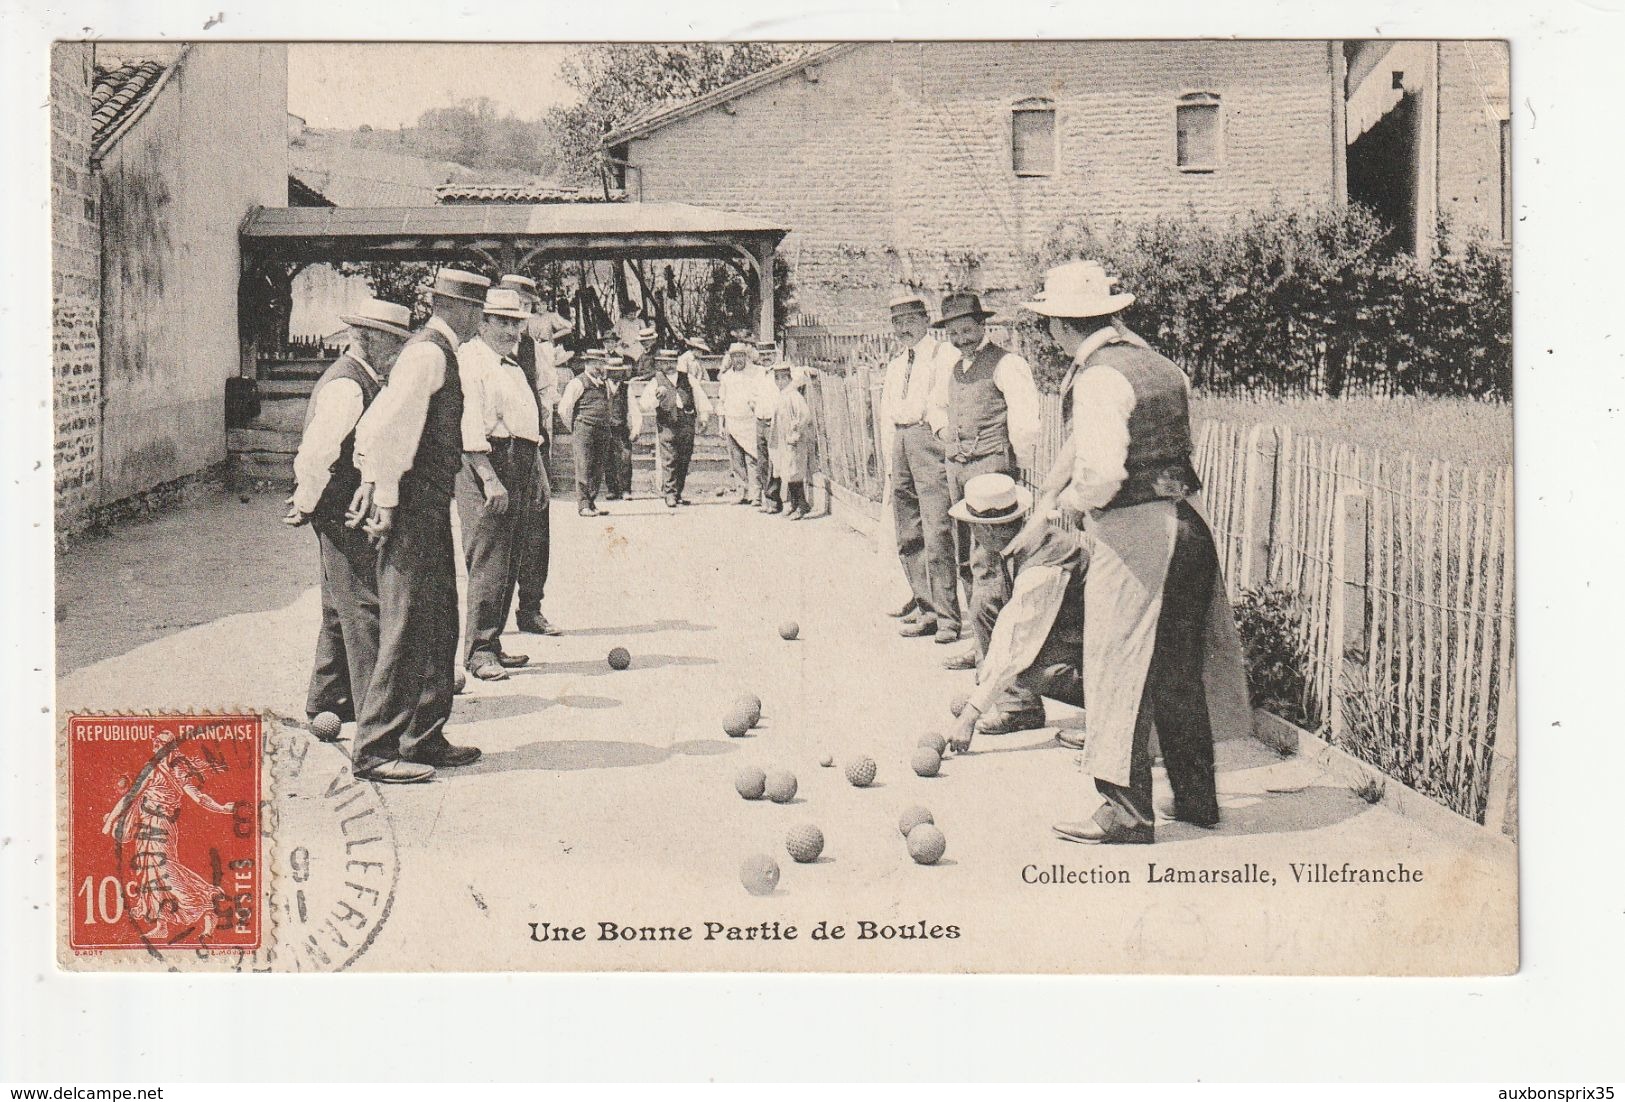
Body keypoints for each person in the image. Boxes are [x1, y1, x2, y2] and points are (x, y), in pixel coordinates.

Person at [1005, 259, 1251, 844]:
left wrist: (1070, 506)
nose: (1048, 337)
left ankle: (1125, 813)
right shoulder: (1160, 366)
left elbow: (1102, 468)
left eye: (1049, 326)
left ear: (1063, 328)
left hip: (1136, 534)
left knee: (1118, 667)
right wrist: (1049, 494)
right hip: (1190, 528)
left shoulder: (1095, 378)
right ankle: (1196, 800)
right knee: (1177, 669)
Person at [348, 267, 490, 784]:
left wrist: (370, 479)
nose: (481, 319)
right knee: (408, 622)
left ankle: (423, 737)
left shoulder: (437, 351)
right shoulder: (430, 353)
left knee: (437, 621)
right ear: (461, 308)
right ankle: (374, 749)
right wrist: (382, 493)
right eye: (478, 309)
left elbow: (376, 425)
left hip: (427, 503)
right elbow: (388, 426)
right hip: (410, 504)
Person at [284, 298, 411, 736]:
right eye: (392, 342)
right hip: (342, 504)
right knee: (363, 603)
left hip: (341, 502)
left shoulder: (368, 377)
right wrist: (306, 499)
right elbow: (317, 449)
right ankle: (378, 710)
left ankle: (329, 696)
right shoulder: (348, 385)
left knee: (338, 602)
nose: (397, 352)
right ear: (368, 338)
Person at [942, 473, 1089, 752]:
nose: (973, 535)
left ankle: (1110, 718)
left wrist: (969, 716)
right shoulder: (1025, 539)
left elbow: (1015, 645)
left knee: (1033, 671)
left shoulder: (1041, 568)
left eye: (975, 527)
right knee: (985, 604)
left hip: (1106, 650)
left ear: (991, 531)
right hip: (1077, 633)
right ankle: (1020, 708)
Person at [936, 292, 1042, 660]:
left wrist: (1018, 468)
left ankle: (999, 649)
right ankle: (980, 642)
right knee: (965, 555)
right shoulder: (953, 368)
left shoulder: (1007, 364)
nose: (961, 339)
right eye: (954, 333)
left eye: (967, 330)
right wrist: (943, 434)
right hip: (958, 469)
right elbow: (938, 408)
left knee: (990, 559)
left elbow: (1025, 420)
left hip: (992, 470)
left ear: (982, 326)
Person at [454, 287, 543, 682]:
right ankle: (478, 652)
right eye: (502, 322)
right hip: (488, 461)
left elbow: (527, 424)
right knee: (489, 558)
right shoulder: (471, 360)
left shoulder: (511, 364)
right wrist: (489, 477)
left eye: (516, 323)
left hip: (520, 461)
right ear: (482, 322)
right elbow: (469, 422)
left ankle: (493, 643)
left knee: (510, 555)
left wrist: (534, 469)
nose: (511, 330)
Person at [881, 292, 961, 643]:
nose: (903, 329)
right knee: (908, 528)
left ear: (925, 320)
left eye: (910, 321)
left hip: (928, 439)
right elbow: (888, 411)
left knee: (937, 526)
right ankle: (926, 607)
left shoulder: (944, 356)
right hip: (900, 441)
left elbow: (942, 403)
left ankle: (948, 618)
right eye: (897, 323)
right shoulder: (898, 363)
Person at [500, 274, 568, 636]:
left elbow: (546, 401)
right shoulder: (477, 350)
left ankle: (530, 609)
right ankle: (487, 627)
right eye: (512, 307)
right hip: (492, 452)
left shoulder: (534, 350)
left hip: (530, 449)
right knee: (494, 541)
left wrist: (543, 450)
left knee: (535, 534)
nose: (519, 316)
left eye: (524, 307)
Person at [640, 346, 714, 508]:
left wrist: (704, 417)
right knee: (669, 458)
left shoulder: (688, 378)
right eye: (665, 362)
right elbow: (644, 405)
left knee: (684, 457)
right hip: (667, 424)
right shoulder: (656, 381)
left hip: (686, 421)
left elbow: (700, 397)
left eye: (672, 362)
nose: (669, 365)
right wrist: (657, 397)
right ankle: (670, 493)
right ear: (660, 364)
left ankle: (678, 492)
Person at [557, 351, 615, 516]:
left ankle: (591, 503)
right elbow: (563, 409)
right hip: (584, 428)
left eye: (602, 363)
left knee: (598, 467)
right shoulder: (577, 382)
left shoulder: (605, 384)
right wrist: (575, 427)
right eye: (596, 363)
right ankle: (583, 506)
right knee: (584, 466)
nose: (600, 367)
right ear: (587, 363)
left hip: (602, 429)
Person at [768, 362, 815, 519]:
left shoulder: (794, 396)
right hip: (783, 441)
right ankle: (794, 504)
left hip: (794, 441)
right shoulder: (782, 395)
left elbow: (805, 416)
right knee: (787, 472)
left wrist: (796, 433)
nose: (780, 382)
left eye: (783, 378)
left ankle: (802, 505)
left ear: (789, 378)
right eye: (777, 378)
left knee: (795, 472)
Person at [717, 342, 760, 504]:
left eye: (741, 356)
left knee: (752, 459)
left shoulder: (755, 373)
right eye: (735, 356)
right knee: (736, 461)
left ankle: (755, 495)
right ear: (730, 358)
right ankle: (742, 492)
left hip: (749, 422)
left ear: (746, 357)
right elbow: (721, 401)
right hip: (732, 422)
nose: (738, 359)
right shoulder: (727, 377)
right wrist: (721, 424)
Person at [750, 341, 784, 513]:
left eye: (769, 355)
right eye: (762, 355)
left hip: (774, 421)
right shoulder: (758, 375)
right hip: (760, 420)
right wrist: (753, 404)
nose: (765, 358)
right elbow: (753, 396)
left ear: (775, 355)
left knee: (774, 460)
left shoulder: (780, 374)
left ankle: (774, 500)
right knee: (762, 461)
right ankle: (767, 497)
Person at [604, 353, 639, 500]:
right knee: (608, 459)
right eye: (613, 371)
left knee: (625, 458)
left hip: (622, 428)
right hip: (606, 428)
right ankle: (612, 489)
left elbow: (633, 408)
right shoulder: (602, 386)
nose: (616, 373)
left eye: (618, 371)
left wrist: (636, 428)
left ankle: (626, 490)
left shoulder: (626, 388)